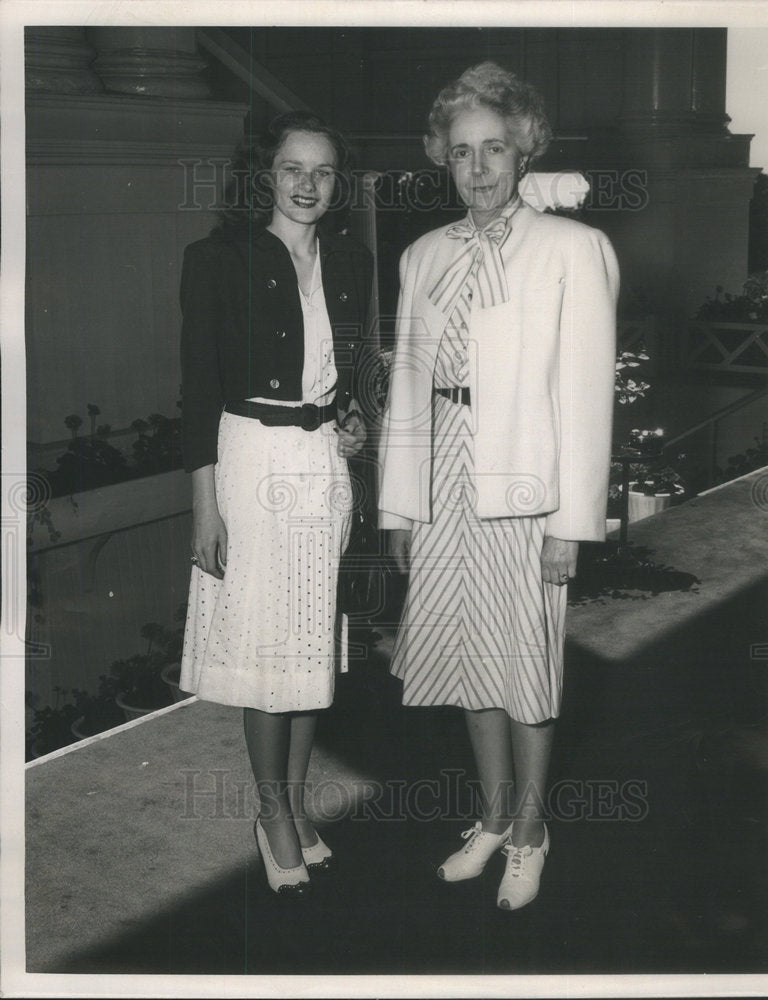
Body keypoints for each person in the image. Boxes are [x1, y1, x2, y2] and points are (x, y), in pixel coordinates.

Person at [377, 63, 619, 911]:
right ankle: (487, 817)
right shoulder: (421, 254)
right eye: (461, 152)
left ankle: (529, 829)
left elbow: (585, 398)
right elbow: (406, 388)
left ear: (524, 152)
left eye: (494, 149)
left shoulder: (573, 248)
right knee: (463, 661)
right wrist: (397, 505)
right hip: (440, 475)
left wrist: (570, 523)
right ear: (442, 158)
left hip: (527, 484)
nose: (476, 168)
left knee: (523, 667)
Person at [179, 111, 372, 897]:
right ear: (265, 173)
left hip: (322, 463)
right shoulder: (217, 258)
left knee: (309, 647)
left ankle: (291, 804)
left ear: (336, 183)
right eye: (292, 168)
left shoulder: (352, 259)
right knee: (269, 651)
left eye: (321, 172)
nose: (305, 185)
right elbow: (196, 393)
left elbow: (351, 369)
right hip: (250, 462)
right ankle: (271, 815)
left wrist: (356, 417)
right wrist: (204, 506)